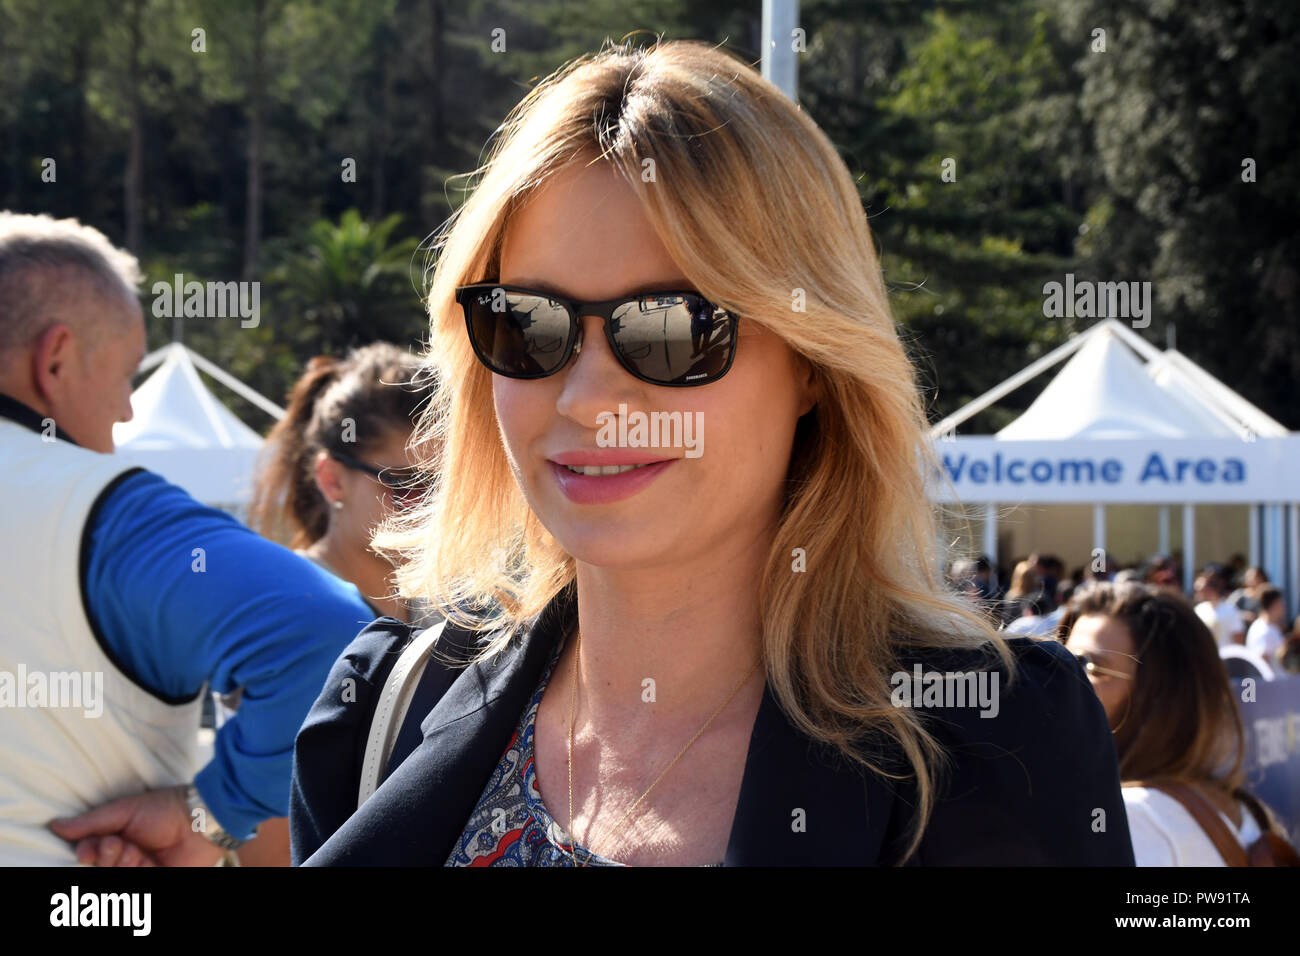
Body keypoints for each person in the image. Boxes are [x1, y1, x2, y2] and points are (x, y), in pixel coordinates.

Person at [289, 40, 1133, 867]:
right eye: (529, 324)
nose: (587, 401)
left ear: (813, 363)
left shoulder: (992, 743)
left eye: (670, 330)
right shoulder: (384, 715)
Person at [0, 211, 374, 865]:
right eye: (123, 379)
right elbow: (326, 630)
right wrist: (212, 816)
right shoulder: (104, 512)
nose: (124, 412)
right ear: (55, 359)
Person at [1062, 582, 1297, 865]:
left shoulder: (1135, 818)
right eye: (1060, 660)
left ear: (1164, 695)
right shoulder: (1239, 809)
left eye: (1086, 665)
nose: (1061, 680)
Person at [248, 343, 436, 626]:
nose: (429, 509)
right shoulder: (281, 610)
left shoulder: (454, 614)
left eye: (445, 487)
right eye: (407, 484)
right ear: (332, 480)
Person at [1194, 571, 1245, 647]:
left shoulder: (1230, 610)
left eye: (1201, 590)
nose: (1197, 594)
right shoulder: (1198, 609)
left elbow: (1239, 641)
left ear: (1211, 589)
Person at [1245, 587, 1286, 662]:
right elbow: (1262, 662)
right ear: (1275, 604)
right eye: (1281, 603)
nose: (1283, 606)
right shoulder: (1263, 630)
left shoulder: (1270, 626)